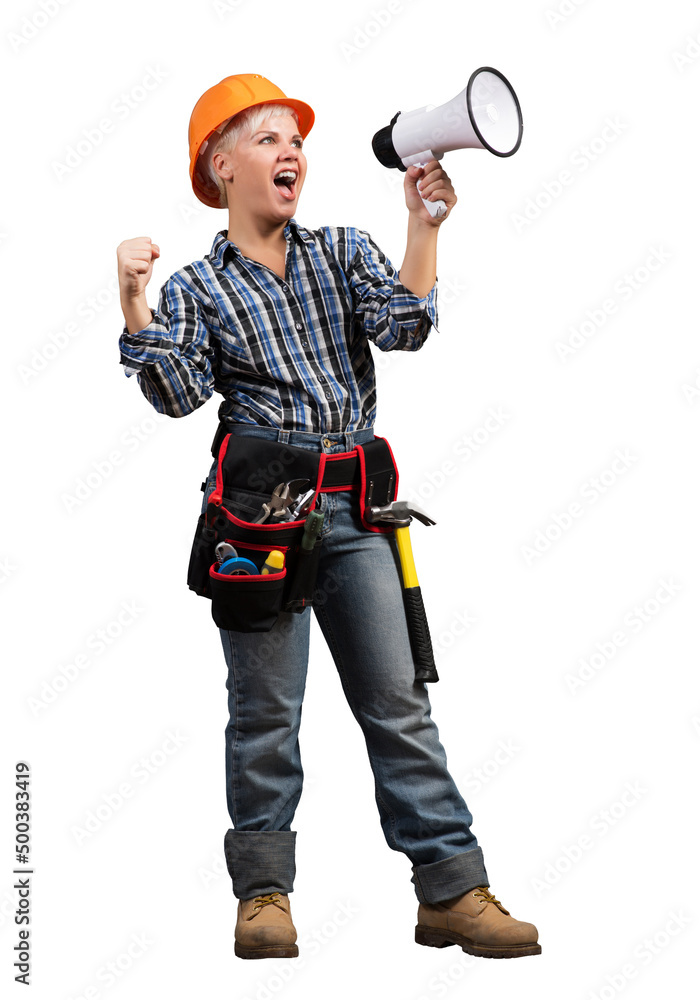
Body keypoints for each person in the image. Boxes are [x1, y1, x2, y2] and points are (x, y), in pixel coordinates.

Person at [116, 73, 540, 961]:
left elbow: (405, 326)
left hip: (358, 512)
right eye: (267, 139)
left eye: (296, 140)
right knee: (266, 711)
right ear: (219, 167)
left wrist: (423, 226)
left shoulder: (342, 250)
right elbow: (177, 392)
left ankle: (452, 892)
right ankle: (264, 893)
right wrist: (135, 303)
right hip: (258, 519)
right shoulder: (196, 289)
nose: (290, 152)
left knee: (397, 702)